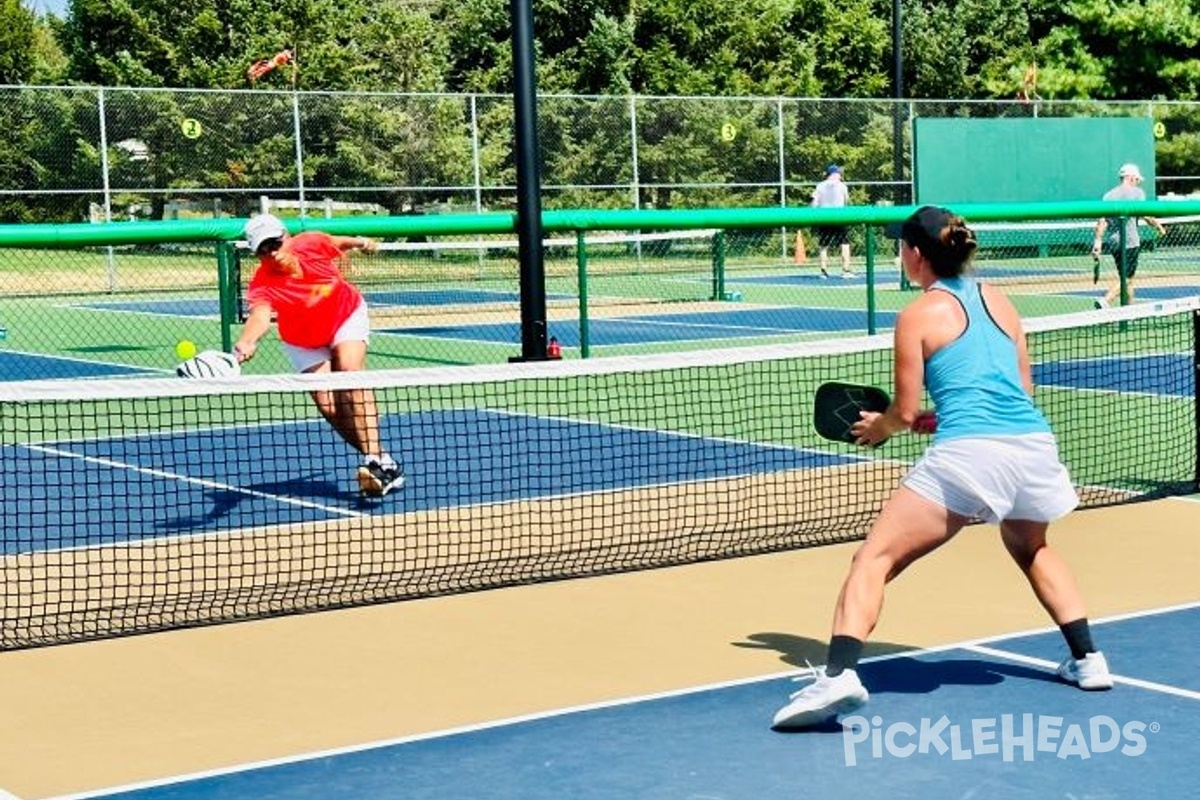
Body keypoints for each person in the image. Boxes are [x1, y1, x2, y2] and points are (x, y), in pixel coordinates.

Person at [772, 206, 1111, 731]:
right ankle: (1089, 661)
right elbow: (1019, 390)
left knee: (874, 558)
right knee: (1031, 546)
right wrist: (935, 420)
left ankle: (838, 676)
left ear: (915, 254)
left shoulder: (917, 315)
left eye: (900, 245)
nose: (898, 253)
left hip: (972, 453)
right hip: (1032, 444)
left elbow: (901, 413)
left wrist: (879, 428)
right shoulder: (999, 299)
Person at [234, 213, 406, 497]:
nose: (272, 253)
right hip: (303, 340)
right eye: (263, 250)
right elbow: (260, 316)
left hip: (345, 316)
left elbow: (339, 241)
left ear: (287, 236)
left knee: (350, 374)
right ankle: (384, 462)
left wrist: (362, 242)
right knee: (329, 406)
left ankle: (373, 460)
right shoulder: (262, 282)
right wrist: (247, 341)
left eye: (275, 243)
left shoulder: (311, 243)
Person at [1091, 163, 1166, 308]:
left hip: (1114, 244)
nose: (1138, 182)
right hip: (1130, 243)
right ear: (1131, 178)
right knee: (1126, 279)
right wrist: (1158, 227)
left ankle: (1130, 313)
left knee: (1129, 280)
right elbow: (1145, 215)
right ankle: (1106, 300)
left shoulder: (1108, 196)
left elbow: (1102, 222)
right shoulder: (1137, 193)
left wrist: (1097, 242)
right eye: (1137, 179)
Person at [810, 164, 855, 278]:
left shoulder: (820, 186)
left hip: (824, 217)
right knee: (844, 244)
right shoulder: (842, 186)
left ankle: (823, 271)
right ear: (834, 173)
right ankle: (846, 270)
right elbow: (846, 202)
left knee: (824, 245)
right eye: (839, 173)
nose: (840, 175)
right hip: (839, 217)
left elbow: (814, 204)